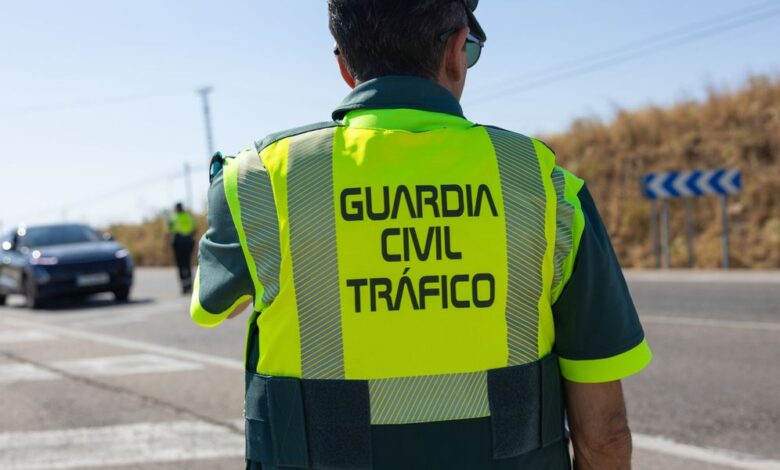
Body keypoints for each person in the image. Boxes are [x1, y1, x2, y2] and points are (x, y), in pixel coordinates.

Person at [191, 1, 652, 468]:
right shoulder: (546, 184)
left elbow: (215, 307)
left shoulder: (259, 179)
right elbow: (605, 434)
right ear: (455, 51)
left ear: (345, 66)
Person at [168, 202, 196, 294]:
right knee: (187, 264)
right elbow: (194, 229)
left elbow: (169, 230)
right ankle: (189, 285)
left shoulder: (173, 217)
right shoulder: (188, 216)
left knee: (181, 265)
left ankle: (184, 287)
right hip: (187, 241)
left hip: (178, 241)